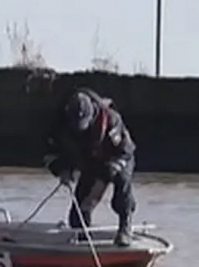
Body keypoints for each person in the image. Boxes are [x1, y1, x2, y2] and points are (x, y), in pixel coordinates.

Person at [43, 87, 137, 247]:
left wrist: (111, 170)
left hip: (116, 159)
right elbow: (48, 153)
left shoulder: (112, 120)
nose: (80, 129)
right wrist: (62, 170)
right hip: (90, 162)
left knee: (121, 183)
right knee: (77, 214)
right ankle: (83, 240)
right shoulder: (59, 124)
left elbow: (125, 152)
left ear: (92, 115)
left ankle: (125, 228)